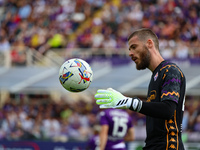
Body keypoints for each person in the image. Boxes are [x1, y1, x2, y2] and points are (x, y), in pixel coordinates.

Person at [94, 28, 186, 150]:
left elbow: (168, 110)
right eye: (130, 49)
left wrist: (129, 102)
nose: (130, 53)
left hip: (169, 145)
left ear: (149, 44)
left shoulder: (170, 71)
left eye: (134, 47)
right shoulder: (155, 76)